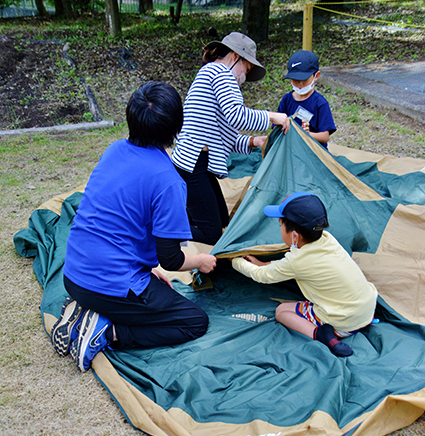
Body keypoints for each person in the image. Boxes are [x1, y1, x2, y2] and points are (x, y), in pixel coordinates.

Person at [51, 81, 216, 372]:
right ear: (176, 128)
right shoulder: (169, 182)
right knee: (194, 321)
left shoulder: (114, 150)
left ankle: (85, 311)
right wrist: (200, 261)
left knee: (150, 286)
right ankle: (106, 332)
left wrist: (147, 268)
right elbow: (172, 259)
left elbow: (116, 221)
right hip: (109, 284)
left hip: (74, 274)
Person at [172, 31, 290, 246]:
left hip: (197, 163)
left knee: (221, 219)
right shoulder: (220, 72)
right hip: (193, 165)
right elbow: (238, 116)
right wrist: (274, 117)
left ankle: (178, 216)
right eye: (247, 68)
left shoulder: (212, 74)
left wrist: (255, 142)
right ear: (236, 56)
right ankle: (162, 229)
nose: (244, 76)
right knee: (212, 234)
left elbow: (222, 136)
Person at [232, 192, 377, 357]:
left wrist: (235, 261)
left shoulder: (298, 260)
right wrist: (263, 263)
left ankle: (320, 334)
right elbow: (283, 266)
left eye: (280, 225)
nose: (279, 228)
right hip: (366, 311)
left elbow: (262, 276)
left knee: (282, 311)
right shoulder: (327, 240)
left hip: (343, 323)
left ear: (294, 236)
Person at [277, 50, 336, 148]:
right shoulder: (286, 100)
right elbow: (276, 127)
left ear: (316, 76)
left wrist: (307, 134)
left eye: (304, 79)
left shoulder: (320, 103)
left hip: (314, 151)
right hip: (291, 148)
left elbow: (325, 136)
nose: (300, 84)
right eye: (296, 80)